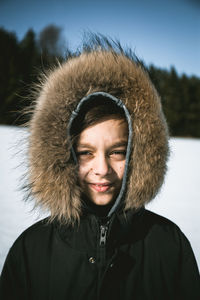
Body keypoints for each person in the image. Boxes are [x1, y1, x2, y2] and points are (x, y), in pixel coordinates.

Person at [0, 35, 199, 300]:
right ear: (60, 156)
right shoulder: (31, 250)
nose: (102, 169)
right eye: (85, 153)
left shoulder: (169, 245)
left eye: (117, 152)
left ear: (139, 154)